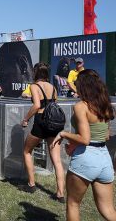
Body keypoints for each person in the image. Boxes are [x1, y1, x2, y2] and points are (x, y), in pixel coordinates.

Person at [52, 69, 116, 220]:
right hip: (104, 160)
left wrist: (63, 134)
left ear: (83, 86)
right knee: (108, 210)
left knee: (73, 204)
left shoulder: (81, 106)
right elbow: (105, 136)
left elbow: (85, 139)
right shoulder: (104, 105)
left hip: (86, 158)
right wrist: (74, 144)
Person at [19, 63, 65, 203]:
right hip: (54, 123)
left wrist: (26, 119)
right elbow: (53, 104)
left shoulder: (34, 86)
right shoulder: (53, 87)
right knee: (56, 160)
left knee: (27, 151)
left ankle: (31, 184)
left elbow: (37, 105)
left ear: (35, 73)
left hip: (40, 121)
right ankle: (60, 194)